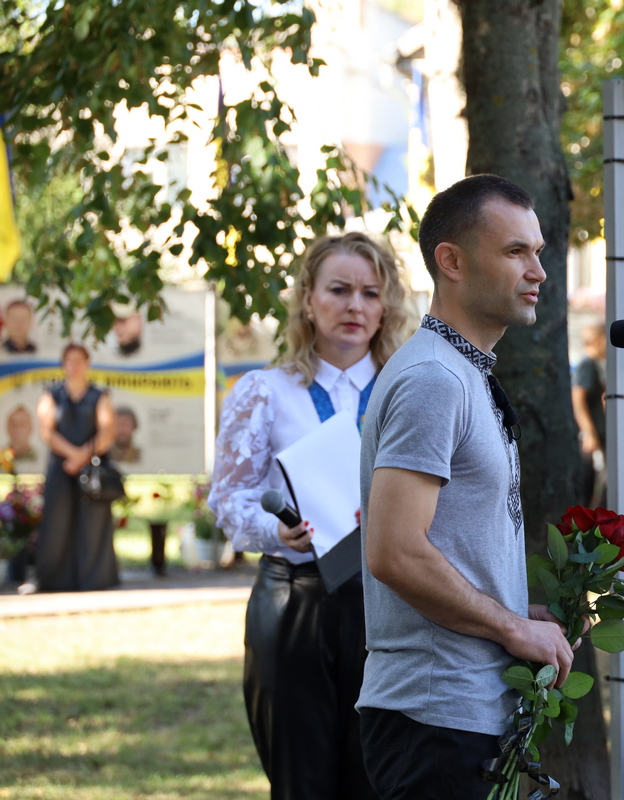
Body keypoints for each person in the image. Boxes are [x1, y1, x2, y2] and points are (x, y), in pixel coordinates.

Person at [358, 175, 573, 799]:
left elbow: (447, 540)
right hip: (434, 717)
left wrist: (516, 609)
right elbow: (395, 551)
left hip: (461, 712)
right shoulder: (434, 379)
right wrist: (513, 629)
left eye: (537, 252)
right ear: (450, 261)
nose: (537, 271)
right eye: (514, 252)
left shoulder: (460, 370)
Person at [210, 231, 409, 800]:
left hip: (391, 604)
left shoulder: (411, 391)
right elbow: (228, 499)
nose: (354, 306)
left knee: (379, 780)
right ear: (307, 298)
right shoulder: (265, 392)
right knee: (301, 782)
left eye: (370, 293)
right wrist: (275, 530)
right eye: (339, 290)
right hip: (296, 601)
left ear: (386, 306)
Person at [33, 344, 119, 592]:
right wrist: (73, 455)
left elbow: (107, 431)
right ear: (63, 364)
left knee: (92, 524)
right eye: (69, 360)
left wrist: (83, 456)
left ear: (87, 363)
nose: (74, 366)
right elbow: (47, 432)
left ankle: (95, 581)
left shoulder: (100, 396)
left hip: (92, 470)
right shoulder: (51, 395)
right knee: (56, 524)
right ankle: (53, 580)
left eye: (79, 360)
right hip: (61, 468)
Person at [572, 322, 606, 505]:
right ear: (598, 340)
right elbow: (578, 399)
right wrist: (589, 432)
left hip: (598, 433)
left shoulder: (596, 365)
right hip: (589, 436)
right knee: (589, 482)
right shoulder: (587, 364)